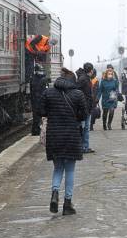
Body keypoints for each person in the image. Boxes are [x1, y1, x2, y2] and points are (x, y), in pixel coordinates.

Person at [40, 67, 88, 215]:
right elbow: (84, 115)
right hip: (72, 136)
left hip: (54, 136)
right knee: (70, 170)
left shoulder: (48, 93)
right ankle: (67, 203)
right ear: (72, 80)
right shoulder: (78, 94)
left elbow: (41, 111)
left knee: (58, 168)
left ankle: (54, 194)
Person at [76, 63, 95, 153]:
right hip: (84, 108)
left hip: (85, 107)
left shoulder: (84, 78)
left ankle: (84, 146)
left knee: (84, 127)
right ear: (91, 70)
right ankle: (84, 147)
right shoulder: (84, 79)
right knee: (84, 128)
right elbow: (84, 94)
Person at [30, 64, 49, 136]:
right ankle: (37, 130)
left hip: (36, 99)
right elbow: (43, 89)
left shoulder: (34, 78)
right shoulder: (42, 78)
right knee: (38, 116)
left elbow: (35, 89)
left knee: (37, 116)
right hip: (38, 99)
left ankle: (36, 130)